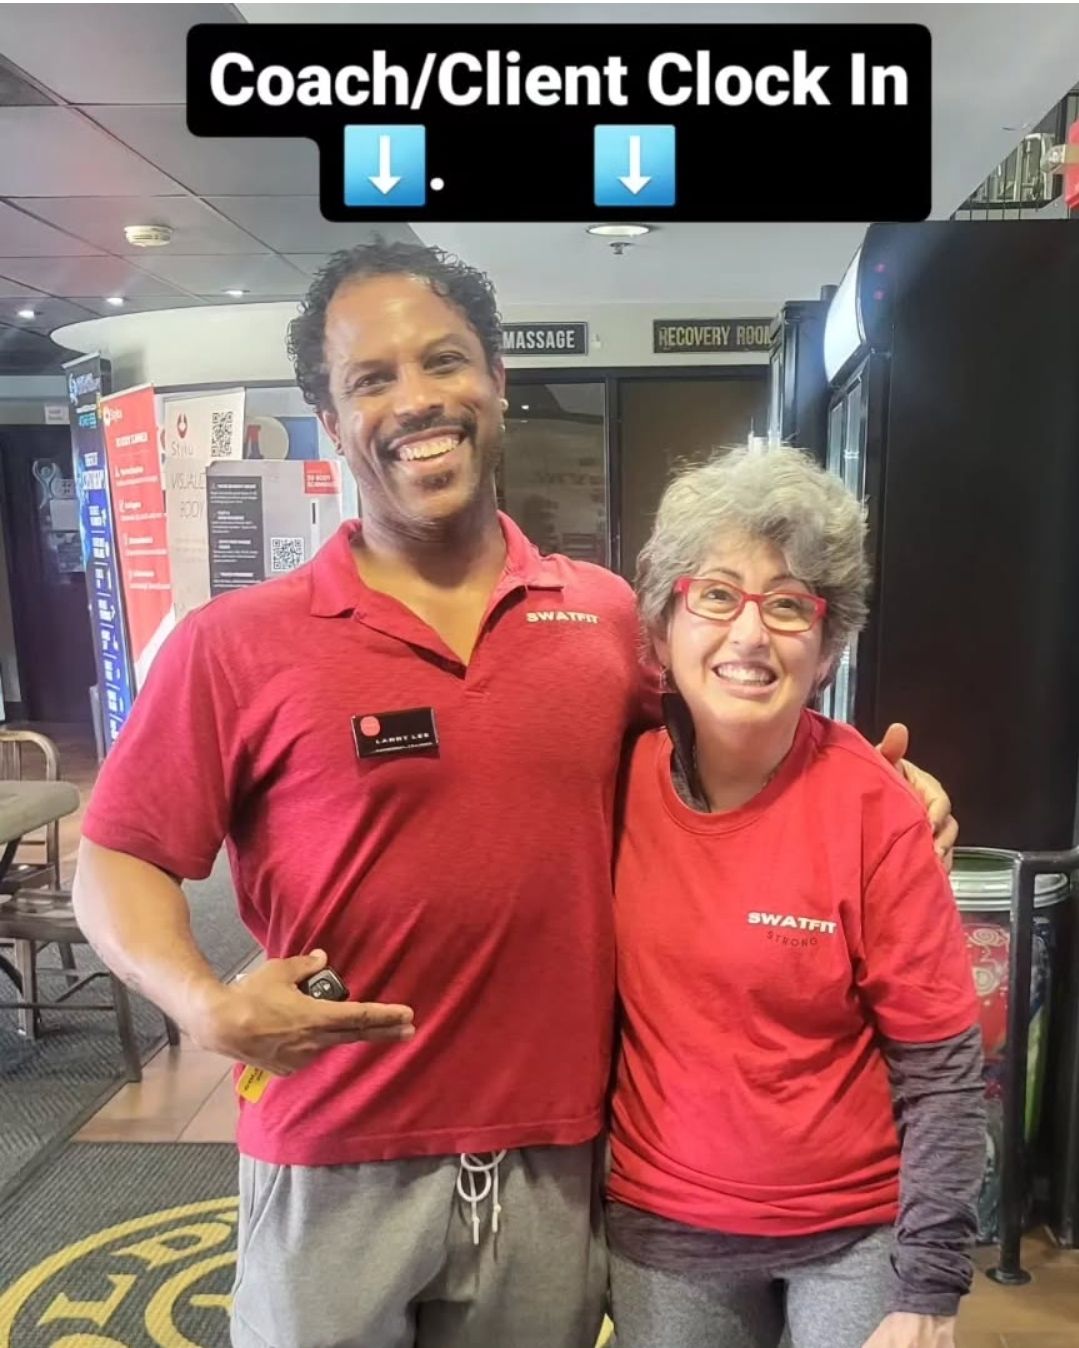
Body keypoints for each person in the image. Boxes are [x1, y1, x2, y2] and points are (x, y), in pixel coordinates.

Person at [73, 241, 958, 1348]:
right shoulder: (237, 645)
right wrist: (200, 998)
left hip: (551, 1161)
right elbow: (114, 855)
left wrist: (879, 784)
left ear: (496, 379)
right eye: (371, 379)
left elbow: (736, 719)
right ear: (329, 413)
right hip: (332, 1149)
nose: (415, 401)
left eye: (443, 362)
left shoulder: (598, 621)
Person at [606, 445, 985, 1348]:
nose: (748, 635)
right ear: (661, 630)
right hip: (664, 1227)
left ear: (825, 650)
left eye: (785, 605)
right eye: (715, 595)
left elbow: (943, 1071)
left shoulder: (874, 810)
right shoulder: (606, 778)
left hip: (851, 1234)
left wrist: (928, 1286)